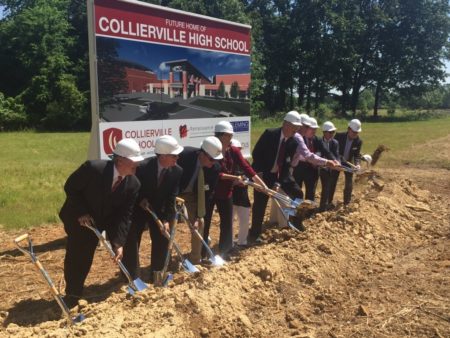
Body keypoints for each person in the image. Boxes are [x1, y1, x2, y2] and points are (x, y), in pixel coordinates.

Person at [59, 138, 143, 308]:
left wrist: (118, 242)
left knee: (127, 240)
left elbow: (124, 215)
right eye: (134, 161)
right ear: (120, 160)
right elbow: (71, 187)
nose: (137, 165)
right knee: (80, 253)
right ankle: (73, 293)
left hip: (108, 216)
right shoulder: (93, 169)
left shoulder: (134, 184)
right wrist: (82, 212)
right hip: (80, 216)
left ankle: (131, 279)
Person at [122, 135, 183, 281]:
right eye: (174, 156)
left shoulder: (177, 171)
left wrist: (167, 219)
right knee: (132, 241)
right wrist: (140, 199)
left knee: (162, 238)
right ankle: (130, 276)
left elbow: (171, 197)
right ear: (162, 156)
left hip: (159, 210)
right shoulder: (142, 167)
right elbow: (129, 189)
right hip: (137, 210)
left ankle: (157, 273)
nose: (177, 159)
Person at [204, 121, 266, 258]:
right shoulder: (211, 149)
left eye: (231, 135)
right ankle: (203, 252)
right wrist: (235, 177)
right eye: (228, 135)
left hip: (226, 192)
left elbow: (247, 168)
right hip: (211, 191)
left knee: (227, 223)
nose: (230, 138)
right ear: (221, 136)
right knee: (206, 221)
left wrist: (262, 185)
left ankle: (225, 250)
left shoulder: (233, 150)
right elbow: (217, 174)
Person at [248, 111, 303, 242]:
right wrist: (259, 174)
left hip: (280, 175)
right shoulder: (270, 134)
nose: (296, 130)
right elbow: (257, 153)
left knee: (298, 193)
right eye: (294, 127)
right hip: (263, 173)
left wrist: (278, 183)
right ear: (285, 124)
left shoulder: (293, 143)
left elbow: (285, 166)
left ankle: (295, 222)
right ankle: (254, 233)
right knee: (260, 203)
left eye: (297, 128)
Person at [177, 136, 222, 264]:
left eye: (216, 160)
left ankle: (195, 260)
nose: (213, 162)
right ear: (202, 154)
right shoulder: (184, 155)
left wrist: (197, 216)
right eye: (212, 159)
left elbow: (207, 195)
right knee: (169, 224)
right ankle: (164, 258)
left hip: (193, 195)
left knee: (200, 223)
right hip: (175, 192)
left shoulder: (215, 168)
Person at [329, 119, 363, 205]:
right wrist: (337, 160)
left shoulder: (358, 141)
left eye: (357, 132)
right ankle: (328, 202)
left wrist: (358, 164)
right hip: (337, 161)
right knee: (332, 181)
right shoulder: (339, 136)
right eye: (354, 132)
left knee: (349, 183)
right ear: (348, 129)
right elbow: (332, 150)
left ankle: (346, 203)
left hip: (348, 163)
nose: (355, 134)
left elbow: (357, 155)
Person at [230, 139, 251, 247]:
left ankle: (242, 242)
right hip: (230, 196)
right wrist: (234, 182)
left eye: (238, 150)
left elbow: (251, 176)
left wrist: (246, 181)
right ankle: (229, 243)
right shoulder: (227, 163)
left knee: (245, 220)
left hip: (243, 196)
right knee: (229, 221)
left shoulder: (245, 162)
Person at [318, 121, 340, 211]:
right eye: (330, 132)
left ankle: (329, 204)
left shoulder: (335, 143)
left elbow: (336, 154)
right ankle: (322, 208)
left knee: (332, 186)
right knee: (326, 187)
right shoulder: (319, 141)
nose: (332, 134)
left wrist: (337, 162)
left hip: (333, 169)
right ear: (324, 132)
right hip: (323, 168)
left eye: (333, 132)